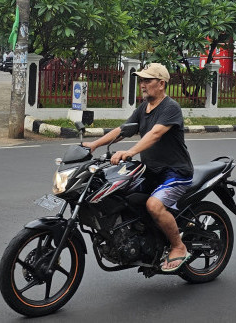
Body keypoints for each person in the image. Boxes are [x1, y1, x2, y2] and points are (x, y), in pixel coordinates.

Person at [83, 63, 194, 273]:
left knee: (154, 205)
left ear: (161, 84)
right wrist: (94, 145)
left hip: (175, 172)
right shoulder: (143, 108)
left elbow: (155, 134)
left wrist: (130, 152)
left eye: (147, 80)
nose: (142, 85)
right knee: (120, 196)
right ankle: (144, 239)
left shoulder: (170, 108)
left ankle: (179, 246)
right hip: (151, 171)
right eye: (141, 80)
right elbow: (122, 130)